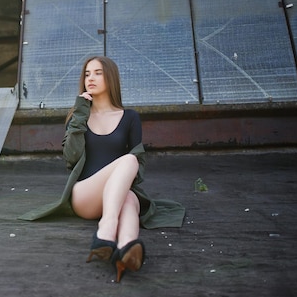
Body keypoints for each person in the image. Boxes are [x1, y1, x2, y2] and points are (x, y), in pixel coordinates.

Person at [19, 56, 185, 283]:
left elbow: (140, 168)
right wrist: (79, 113)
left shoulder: (130, 118)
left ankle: (126, 249)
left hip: (118, 195)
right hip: (85, 195)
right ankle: (106, 228)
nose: (91, 78)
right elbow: (71, 159)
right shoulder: (78, 116)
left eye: (97, 72)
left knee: (129, 194)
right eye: (87, 74)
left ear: (111, 77)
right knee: (129, 160)